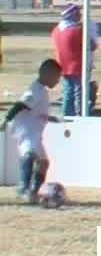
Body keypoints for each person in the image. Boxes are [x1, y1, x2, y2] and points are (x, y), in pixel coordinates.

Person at [3, 59, 62, 202]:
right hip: (25, 129)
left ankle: (33, 192)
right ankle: (24, 189)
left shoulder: (41, 90)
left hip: (34, 130)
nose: (58, 80)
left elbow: (37, 111)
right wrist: (5, 120)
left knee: (43, 163)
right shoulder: (35, 89)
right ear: (47, 74)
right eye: (56, 76)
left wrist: (50, 118)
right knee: (29, 154)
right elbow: (20, 105)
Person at [50, 4, 96, 117]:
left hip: (63, 66)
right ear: (73, 15)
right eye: (78, 13)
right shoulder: (77, 30)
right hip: (77, 66)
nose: (80, 15)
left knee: (68, 92)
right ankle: (80, 115)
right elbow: (92, 45)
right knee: (79, 93)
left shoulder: (56, 30)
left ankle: (67, 114)